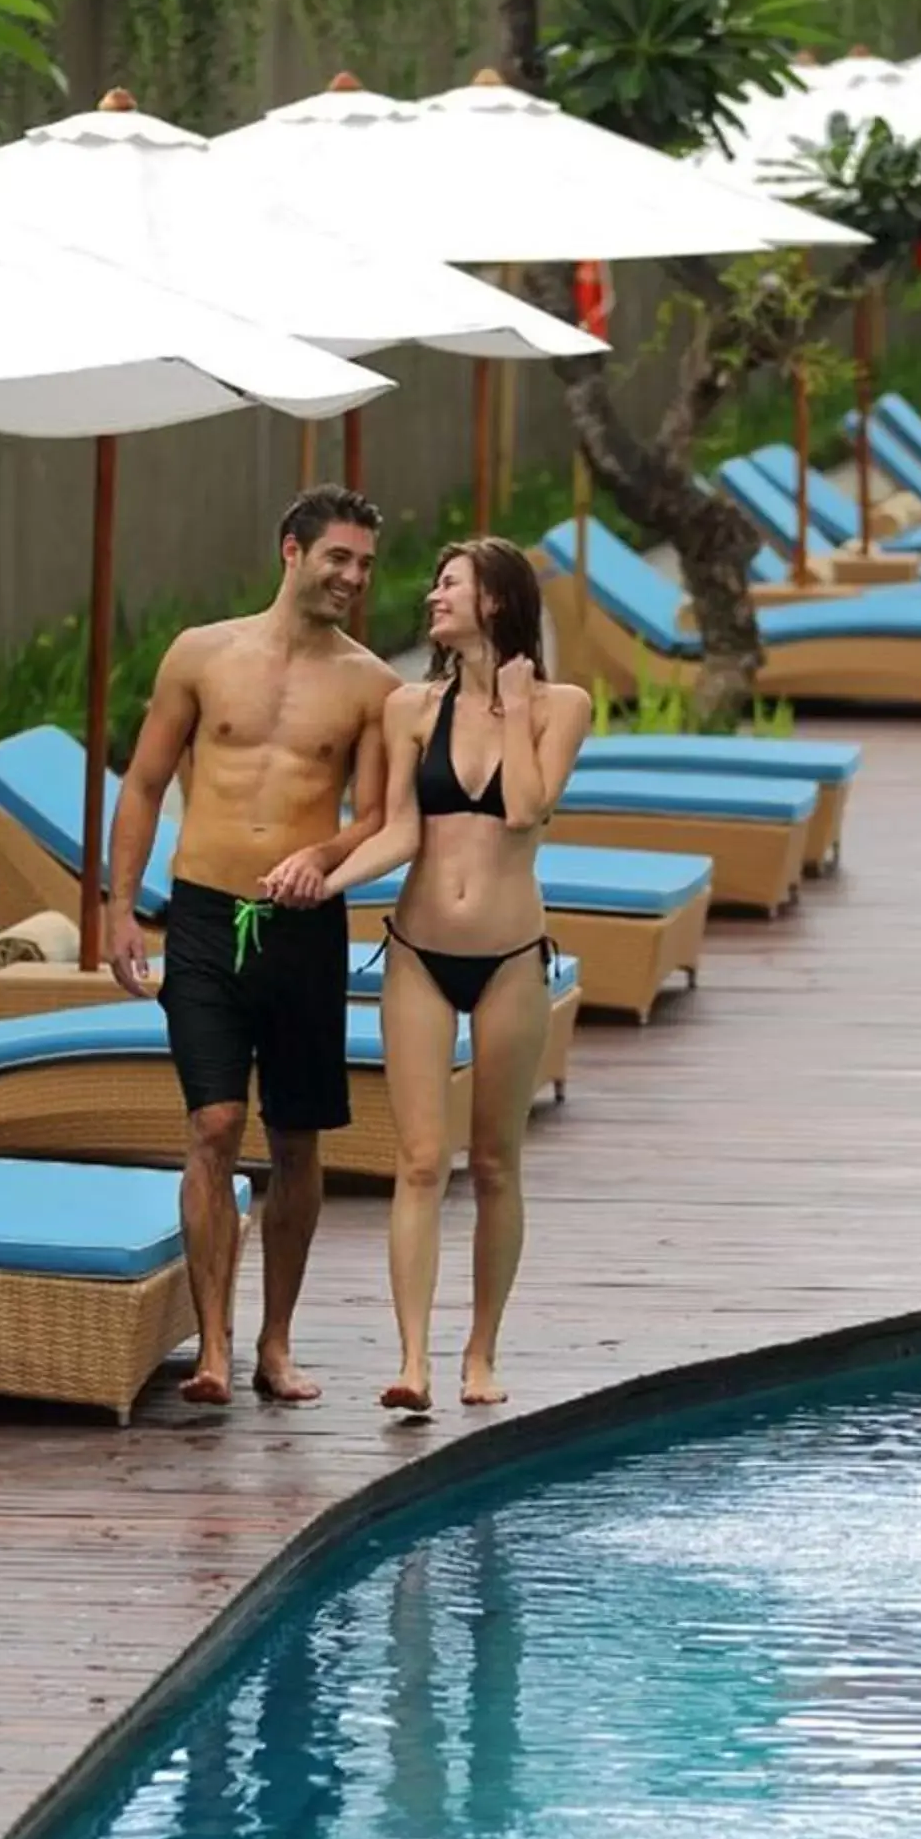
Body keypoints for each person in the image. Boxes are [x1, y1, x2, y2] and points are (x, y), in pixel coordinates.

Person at [108, 486, 395, 1408]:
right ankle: (215, 1349)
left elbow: (380, 819)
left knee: (298, 1139)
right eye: (337, 558)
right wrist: (120, 909)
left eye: (363, 564)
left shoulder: (372, 685)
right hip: (201, 916)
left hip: (304, 930)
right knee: (214, 1125)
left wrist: (324, 853)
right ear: (292, 551)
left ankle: (276, 1344)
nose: (351, 577)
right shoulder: (201, 655)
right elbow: (146, 784)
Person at [305, 536, 591, 1412]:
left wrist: (506, 710)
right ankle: (412, 1361)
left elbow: (525, 807)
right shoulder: (408, 710)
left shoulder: (561, 705)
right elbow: (396, 831)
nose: (432, 597)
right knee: (422, 1160)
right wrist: (320, 879)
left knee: (497, 1163)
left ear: (495, 603)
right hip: (420, 954)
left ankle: (481, 1354)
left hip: (509, 959)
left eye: (450, 584)